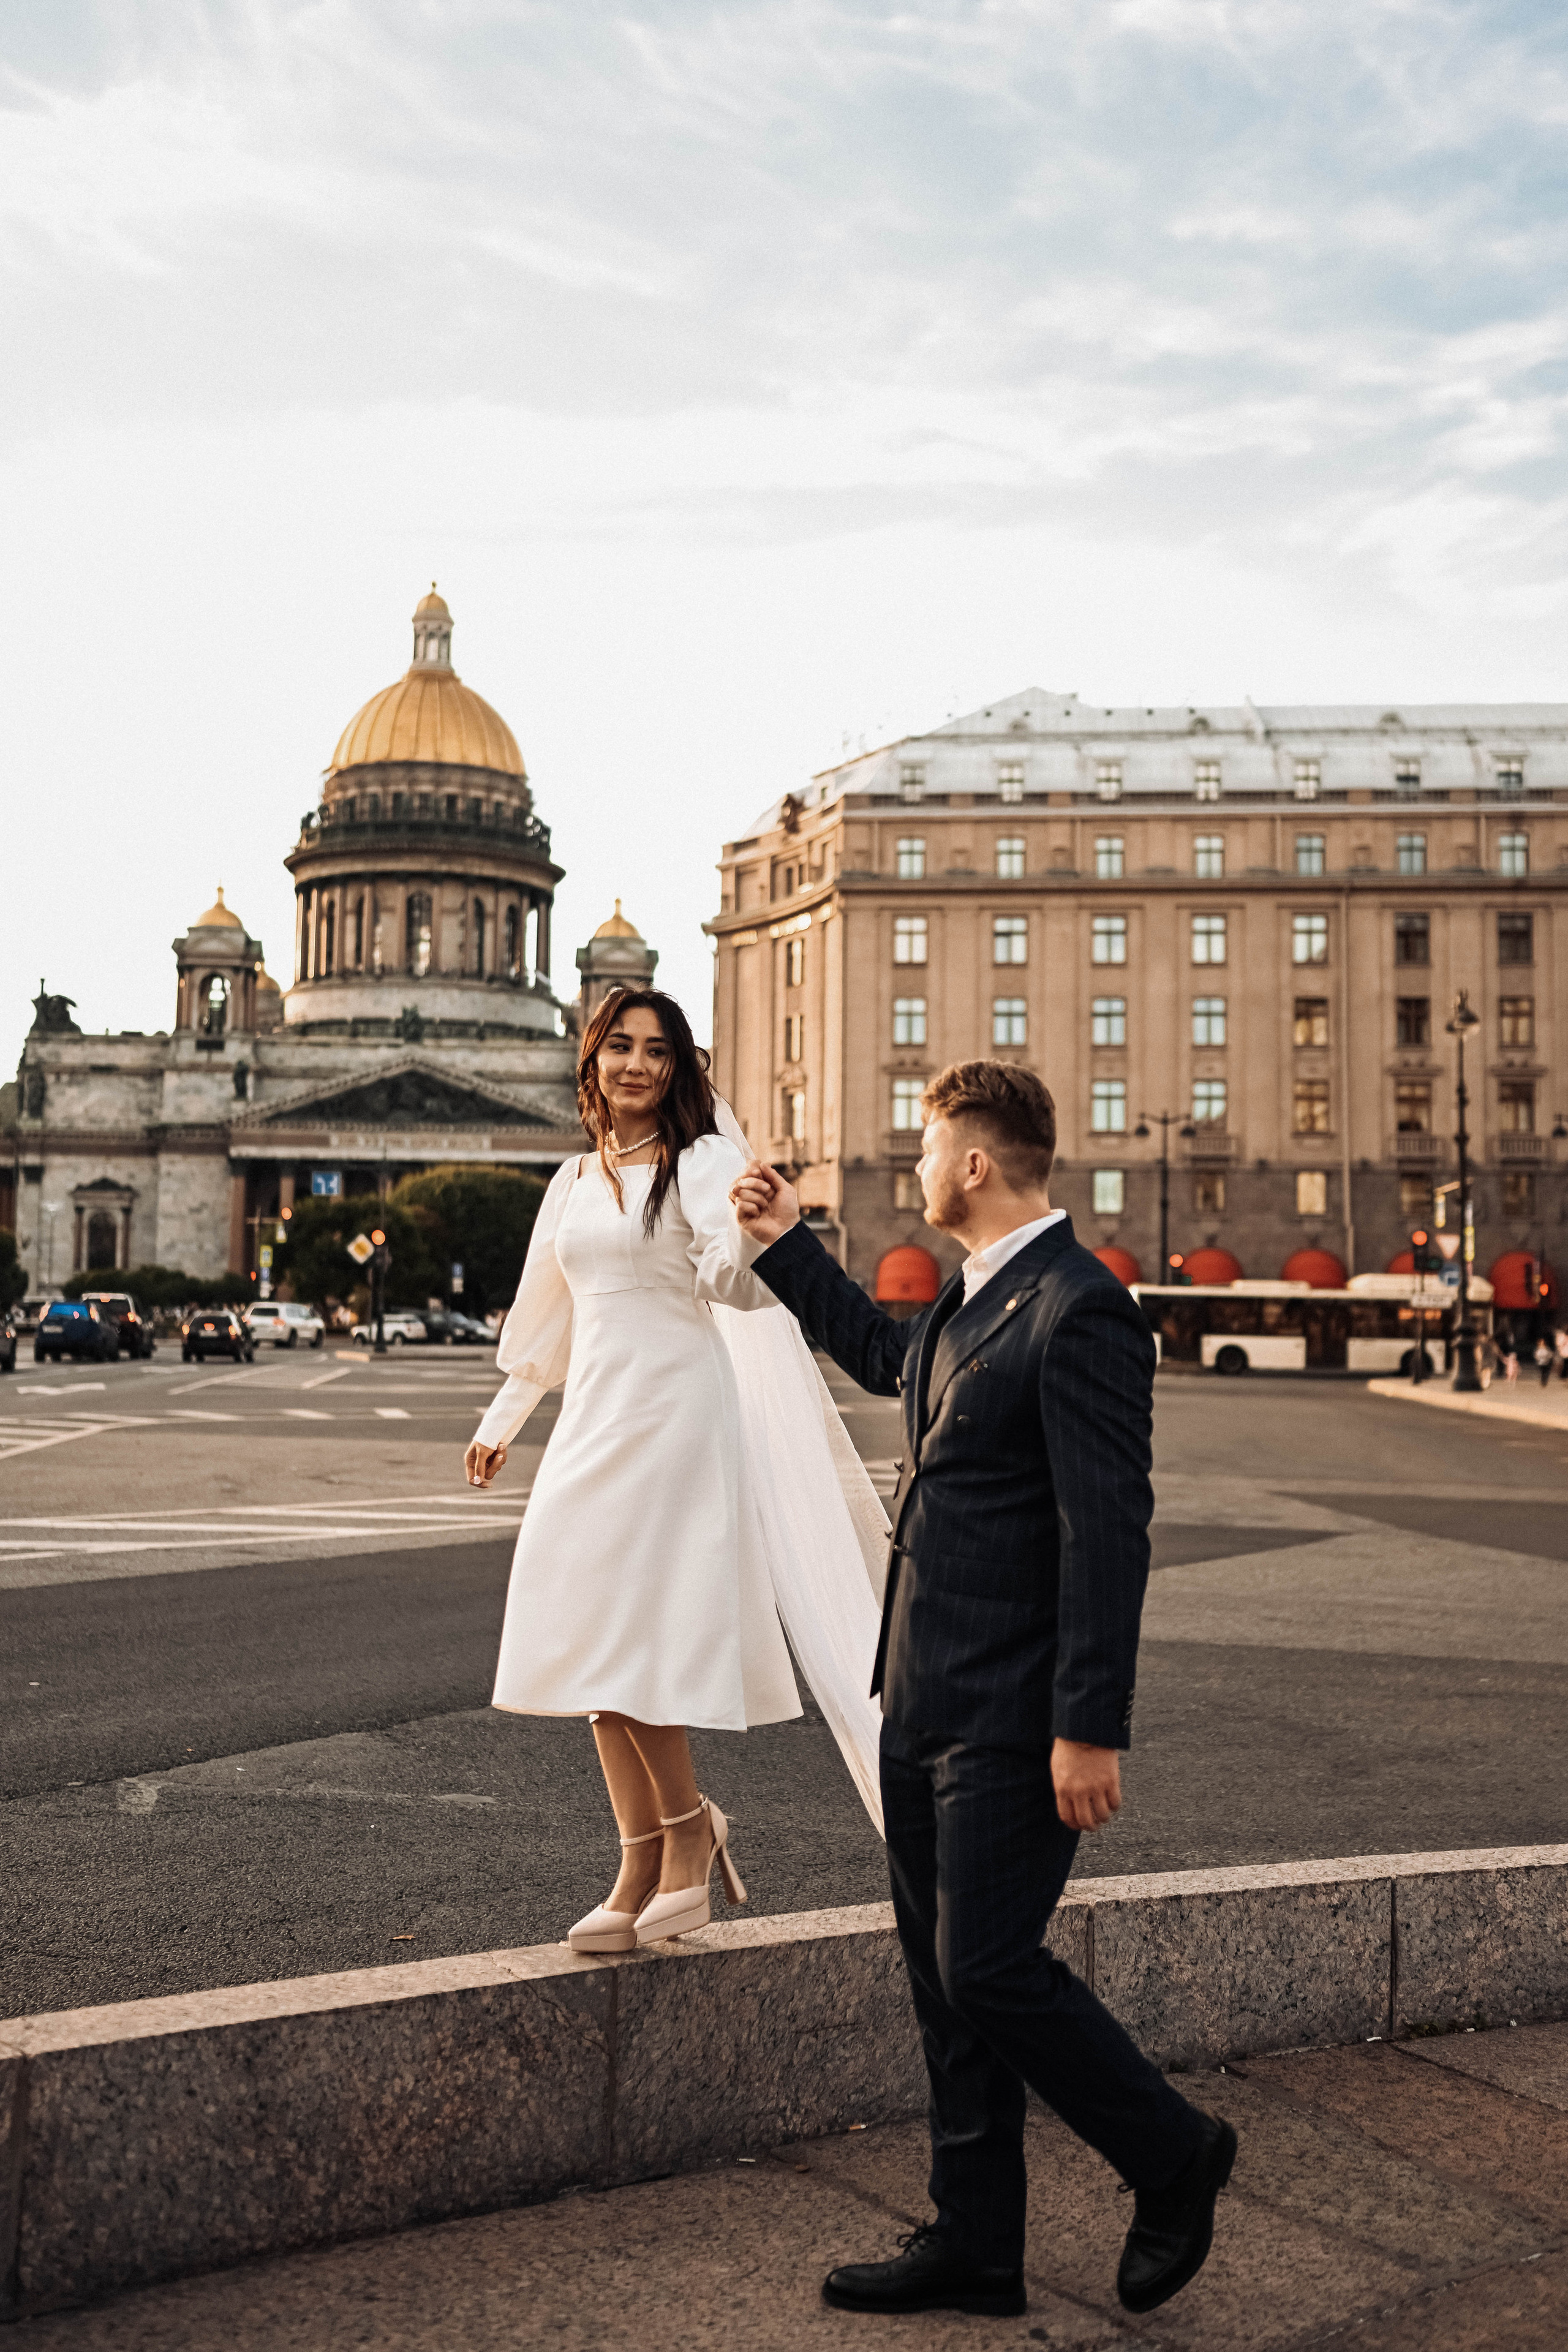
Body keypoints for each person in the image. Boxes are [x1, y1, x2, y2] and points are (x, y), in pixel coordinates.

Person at [731, 1060, 1235, 2321]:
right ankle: (976, 2244)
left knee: (990, 1969)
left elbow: (1105, 1536)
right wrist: (782, 1248)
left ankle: (1173, 2154)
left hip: (1016, 1717)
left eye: (922, 1147)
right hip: (922, 1693)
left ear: (969, 1163)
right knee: (941, 1983)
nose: (911, 1168)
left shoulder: (1081, 1310)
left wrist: (1087, 1728)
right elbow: (881, 1357)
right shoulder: (969, 1301)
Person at [464, 986, 885, 1956]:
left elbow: (730, 1283)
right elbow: (552, 1317)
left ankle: (684, 1842)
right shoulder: (572, 1178)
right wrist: (503, 1419)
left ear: (680, 1068)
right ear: (593, 1059)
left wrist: (749, 1227)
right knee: (591, 1641)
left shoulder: (698, 1163)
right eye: (621, 1047)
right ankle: (644, 1854)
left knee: (640, 1642)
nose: (639, 1066)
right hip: (593, 1422)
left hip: (678, 1415)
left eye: (659, 1051)